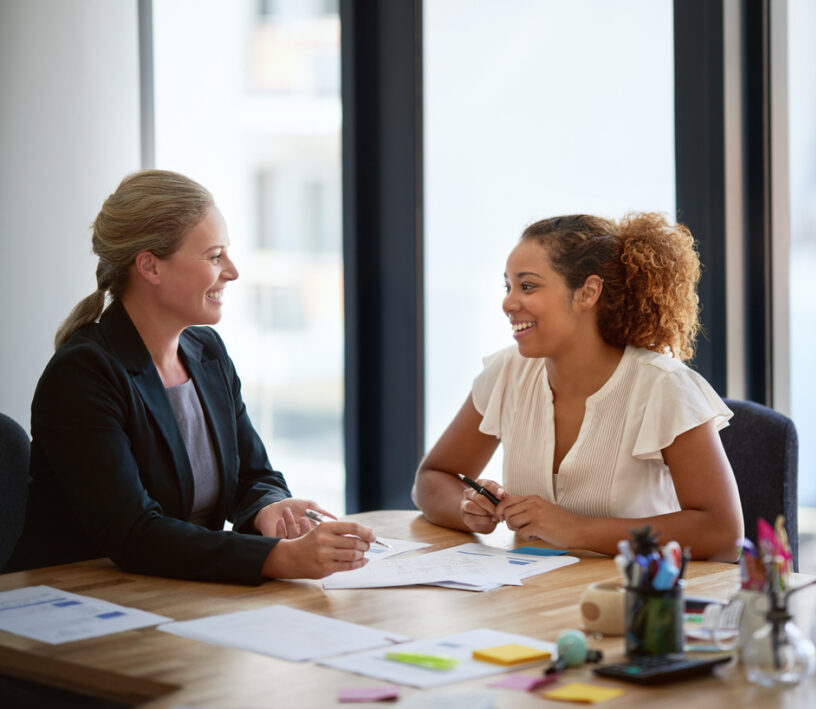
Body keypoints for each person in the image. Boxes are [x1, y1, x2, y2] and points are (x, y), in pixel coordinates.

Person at [5, 170, 374, 584]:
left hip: (176, 593)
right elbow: (135, 535)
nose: (231, 271)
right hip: (82, 603)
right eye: (214, 256)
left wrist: (270, 507)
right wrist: (280, 559)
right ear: (150, 266)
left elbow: (254, 476)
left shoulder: (207, 352)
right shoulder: (83, 374)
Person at [412, 213, 744, 561]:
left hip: (631, 603)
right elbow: (433, 478)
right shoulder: (508, 371)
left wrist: (576, 529)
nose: (508, 303)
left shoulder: (665, 387)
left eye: (527, 286)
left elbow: (722, 532)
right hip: (536, 600)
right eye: (508, 287)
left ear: (587, 293)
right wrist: (464, 507)